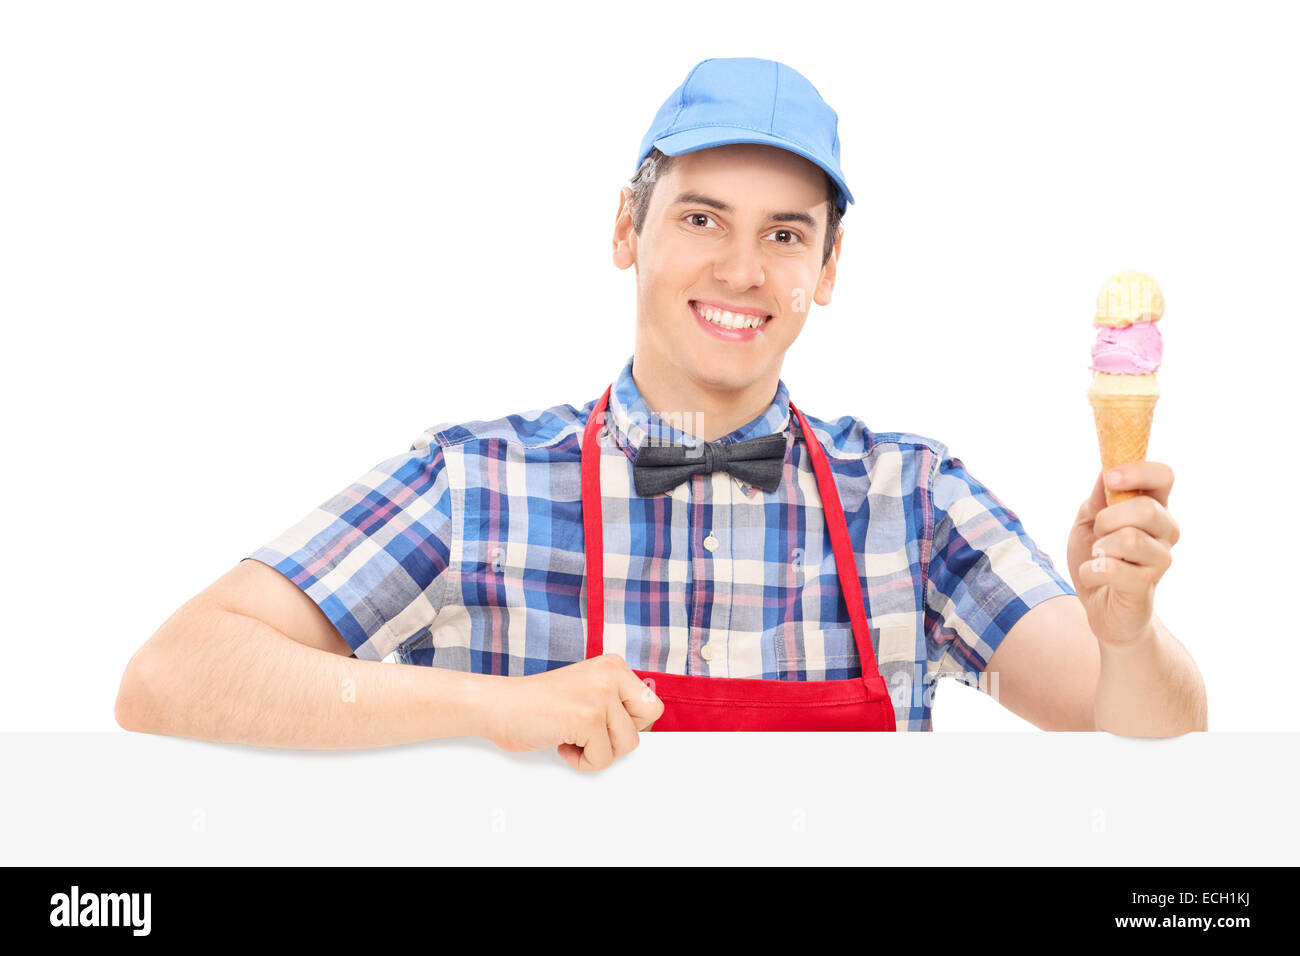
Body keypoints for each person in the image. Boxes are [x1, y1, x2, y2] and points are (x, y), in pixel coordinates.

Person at [114, 57, 1207, 770]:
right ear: (625, 230)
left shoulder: (912, 502)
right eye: (700, 218)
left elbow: (1157, 744)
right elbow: (171, 676)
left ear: (826, 269)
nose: (740, 269)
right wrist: (489, 708)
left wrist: (1130, 632)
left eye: (785, 233)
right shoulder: (474, 484)